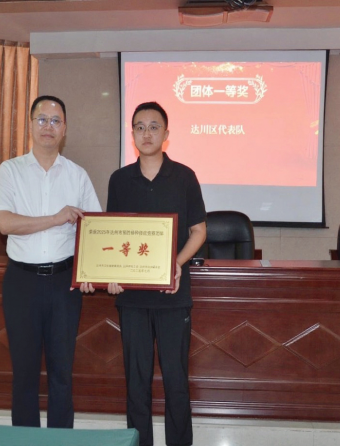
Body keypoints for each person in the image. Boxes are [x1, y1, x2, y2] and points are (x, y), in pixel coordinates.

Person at [0, 95, 101, 428]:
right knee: (24, 372)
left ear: (64, 129)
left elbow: (95, 231)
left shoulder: (78, 175)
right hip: (21, 283)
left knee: (61, 372)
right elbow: (5, 223)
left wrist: (95, 270)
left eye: (55, 121)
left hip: (64, 283)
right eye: (42, 119)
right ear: (30, 125)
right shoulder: (10, 170)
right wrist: (55, 218)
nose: (48, 126)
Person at [106, 101, 207, 446]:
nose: (146, 133)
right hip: (132, 299)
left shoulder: (185, 177)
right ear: (132, 134)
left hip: (172, 295)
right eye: (139, 127)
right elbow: (112, 235)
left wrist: (175, 265)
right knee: (136, 382)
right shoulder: (120, 180)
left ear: (166, 134)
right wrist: (111, 273)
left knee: (176, 380)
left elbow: (199, 231)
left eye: (153, 127)